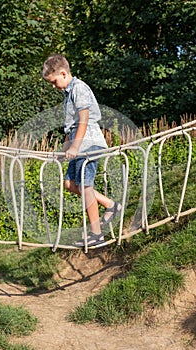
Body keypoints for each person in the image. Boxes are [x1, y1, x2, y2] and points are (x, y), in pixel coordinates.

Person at [42, 54, 121, 247]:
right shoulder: (67, 95)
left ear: (63, 73)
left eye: (54, 82)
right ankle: (111, 205)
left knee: (86, 186)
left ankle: (96, 234)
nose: (54, 86)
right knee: (69, 183)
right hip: (78, 142)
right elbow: (70, 128)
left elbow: (84, 119)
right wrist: (64, 151)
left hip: (89, 143)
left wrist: (76, 147)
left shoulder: (79, 88)